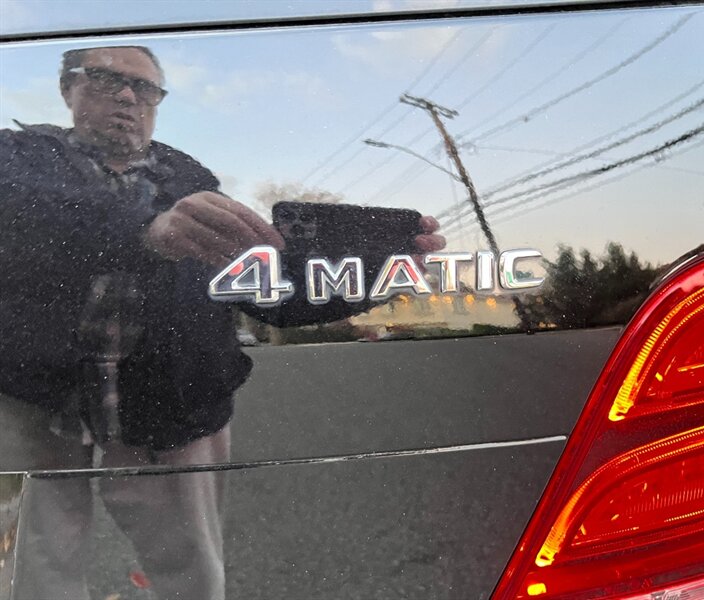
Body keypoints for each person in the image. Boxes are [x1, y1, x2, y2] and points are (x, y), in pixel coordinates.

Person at [0, 45, 444, 600]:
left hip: (176, 401)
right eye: (107, 79)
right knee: (34, 570)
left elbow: (269, 294)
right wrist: (147, 228)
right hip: (33, 402)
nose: (128, 96)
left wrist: (378, 276)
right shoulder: (18, 156)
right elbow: (19, 217)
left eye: (145, 88)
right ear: (68, 88)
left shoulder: (191, 178)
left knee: (192, 572)